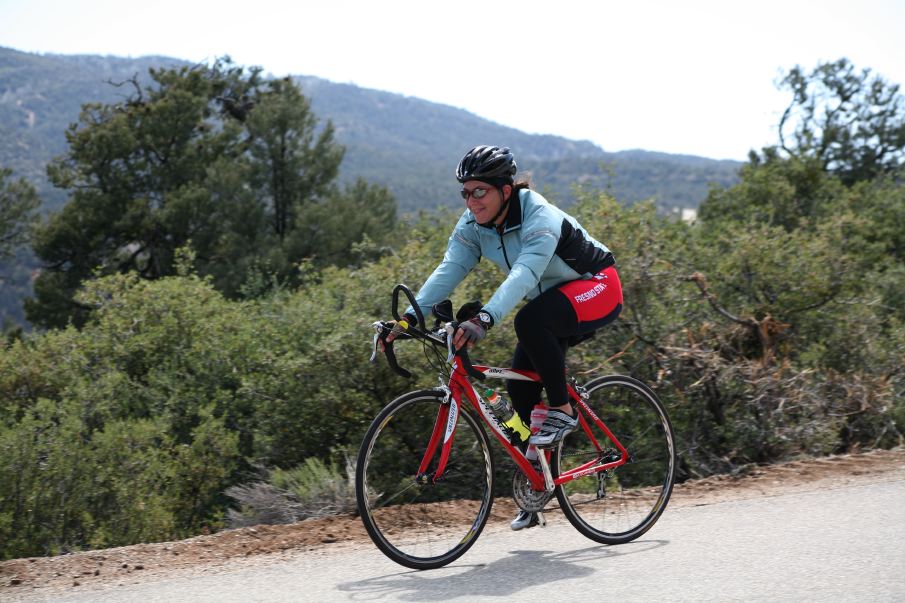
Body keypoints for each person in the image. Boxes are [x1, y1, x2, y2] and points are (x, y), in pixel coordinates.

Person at [390, 145, 623, 530]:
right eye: (465, 192)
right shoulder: (472, 225)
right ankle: (538, 485)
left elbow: (524, 276)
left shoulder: (539, 217)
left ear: (505, 189)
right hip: (554, 302)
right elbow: (450, 269)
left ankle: (564, 412)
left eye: (479, 191)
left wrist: (485, 318)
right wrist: (408, 318)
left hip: (597, 288)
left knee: (530, 322)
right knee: (520, 389)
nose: (471, 200)